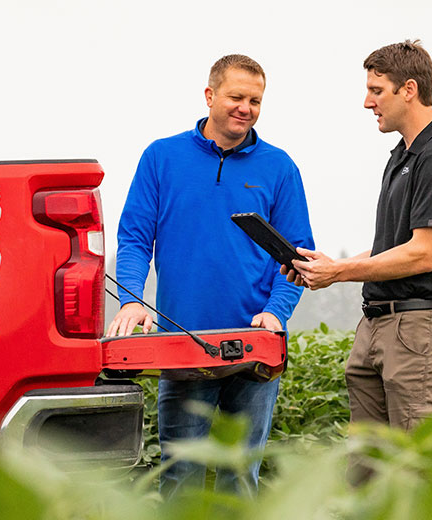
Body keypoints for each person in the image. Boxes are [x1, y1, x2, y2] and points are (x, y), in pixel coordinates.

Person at [107, 54, 314, 497]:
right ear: (210, 95)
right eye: (237, 96)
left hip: (254, 347)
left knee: (240, 479)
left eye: (255, 100)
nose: (246, 108)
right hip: (183, 347)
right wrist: (130, 298)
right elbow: (136, 238)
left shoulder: (279, 168)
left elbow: (295, 258)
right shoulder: (161, 157)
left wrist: (276, 313)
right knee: (180, 475)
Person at [285, 40, 432, 430]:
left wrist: (339, 273)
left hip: (415, 329)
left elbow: (423, 254)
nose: (367, 103)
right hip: (376, 325)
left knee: (413, 469)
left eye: (376, 91)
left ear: (408, 89)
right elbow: (394, 246)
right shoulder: (403, 156)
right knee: (369, 469)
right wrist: (330, 266)